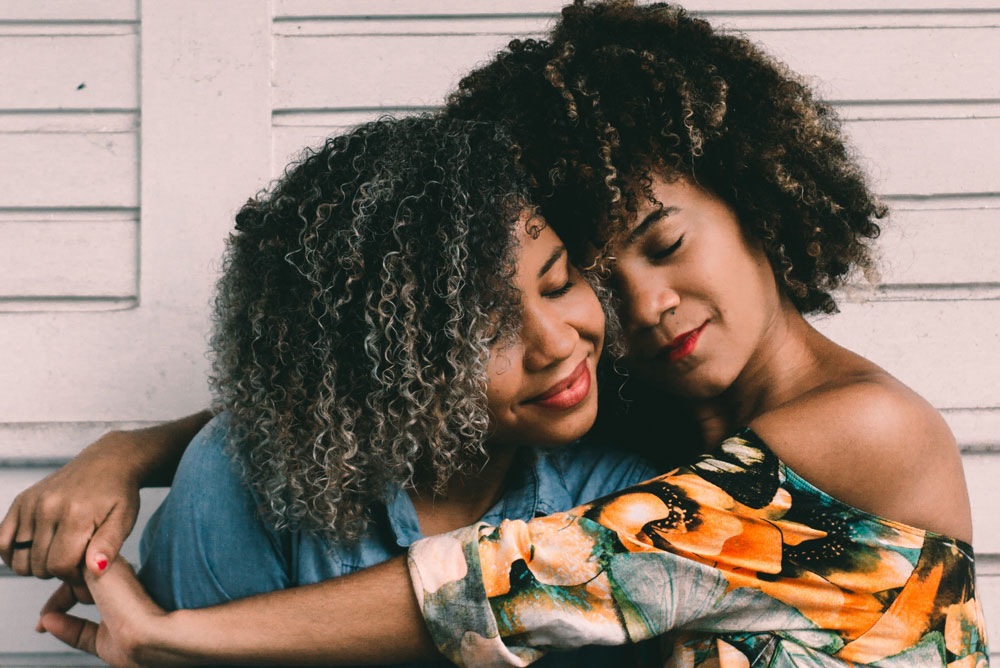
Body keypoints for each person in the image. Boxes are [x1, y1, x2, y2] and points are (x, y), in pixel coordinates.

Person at [3, 1, 988, 666]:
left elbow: (543, 575)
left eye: (667, 242)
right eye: (602, 277)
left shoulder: (864, 428)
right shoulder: (665, 407)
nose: (644, 306)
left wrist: (180, 636)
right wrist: (127, 450)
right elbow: (384, 383)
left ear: (755, 196)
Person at [1, 114, 658, 666]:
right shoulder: (244, 484)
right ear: (380, 365)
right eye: (485, 334)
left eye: (559, 282)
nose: (559, 343)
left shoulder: (631, 485)